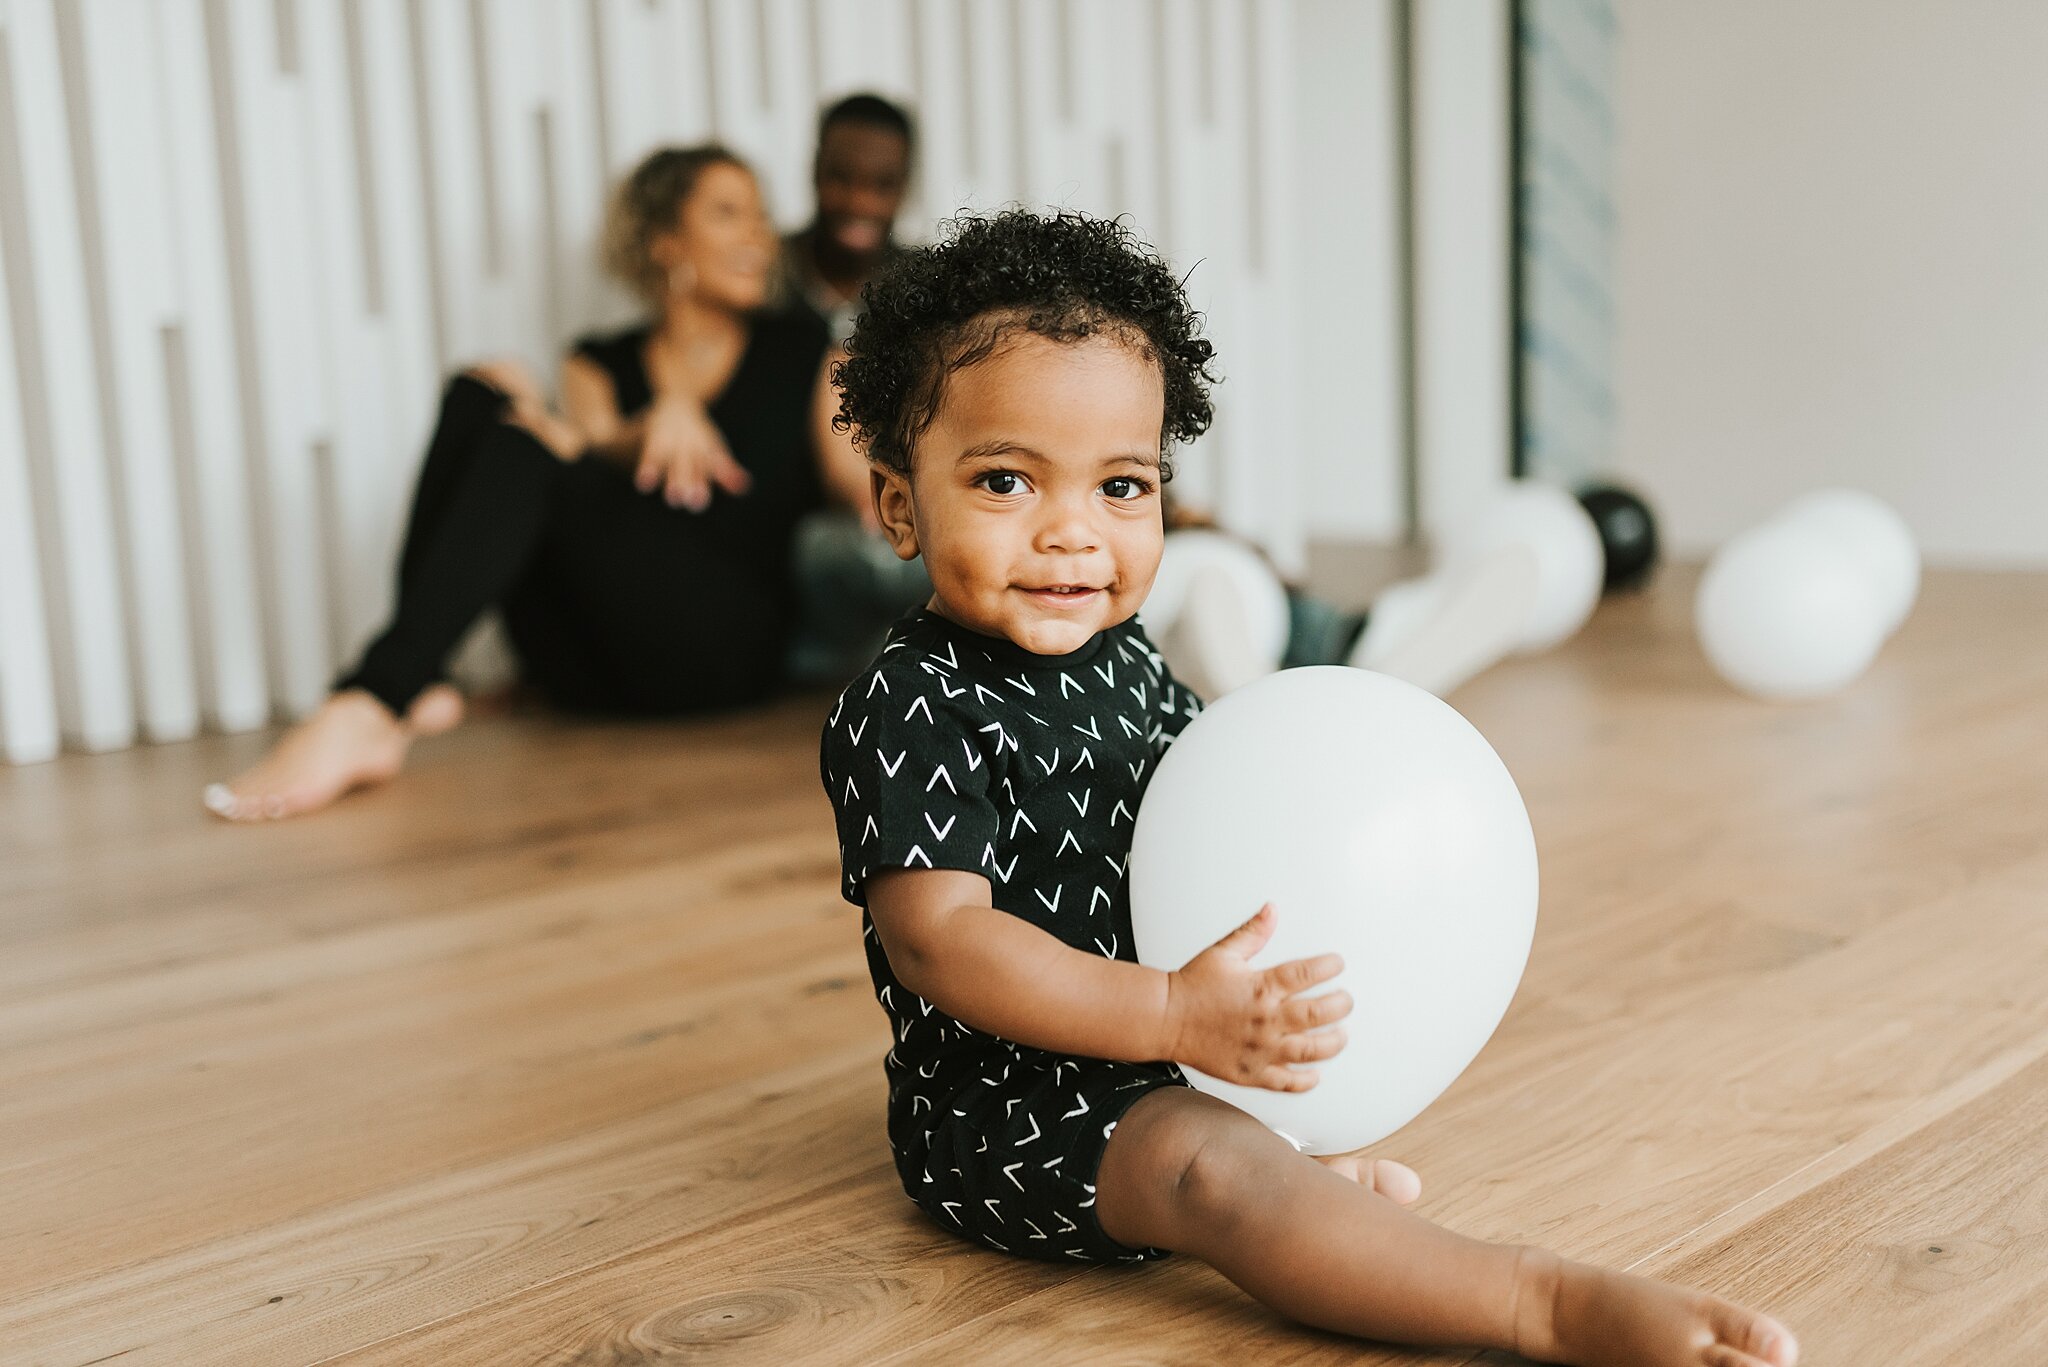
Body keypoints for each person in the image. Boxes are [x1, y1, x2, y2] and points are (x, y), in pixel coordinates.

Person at [818, 209, 1799, 1366]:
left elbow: (1235, 814)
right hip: (1013, 1109)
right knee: (1213, 1170)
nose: (1072, 533)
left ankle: (1309, 1183)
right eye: (1004, 479)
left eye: (1121, 487)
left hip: (1179, 1040)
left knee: (1253, 1122)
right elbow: (943, 944)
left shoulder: (1128, 658)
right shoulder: (912, 698)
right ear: (896, 503)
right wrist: (1171, 1015)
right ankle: (1537, 1302)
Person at [206, 145, 868, 821]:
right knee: (483, 388)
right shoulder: (597, 361)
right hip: (587, 665)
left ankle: (378, 697)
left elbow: (861, 486)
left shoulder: (811, 353)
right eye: (729, 214)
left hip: (716, 655)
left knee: (525, 435)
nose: (759, 234)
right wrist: (650, 423)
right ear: (666, 240)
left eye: (760, 215)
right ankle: (403, 687)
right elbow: (581, 453)